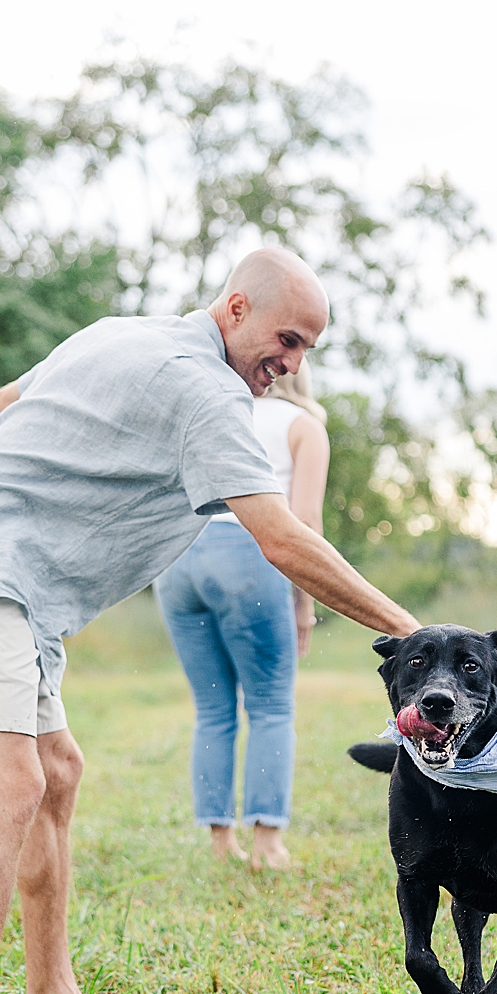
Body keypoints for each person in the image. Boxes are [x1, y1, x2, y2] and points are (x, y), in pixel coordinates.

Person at [0, 247, 420, 994]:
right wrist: (410, 628)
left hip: (11, 578)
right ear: (237, 309)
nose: (290, 364)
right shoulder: (202, 388)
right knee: (13, 785)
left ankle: (51, 993)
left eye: (308, 350)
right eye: (286, 338)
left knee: (58, 771)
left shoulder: (122, 332)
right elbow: (281, 536)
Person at [155, 359, 330, 870]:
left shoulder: (213, 412)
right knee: (272, 707)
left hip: (179, 558)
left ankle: (218, 842)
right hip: (249, 554)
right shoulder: (303, 426)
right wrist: (305, 605)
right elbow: (305, 523)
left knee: (212, 710)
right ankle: (267, 845)